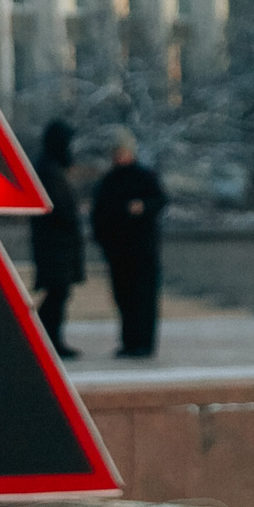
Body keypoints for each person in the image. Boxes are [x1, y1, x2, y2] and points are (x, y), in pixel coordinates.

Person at [89, 127, 169, 359]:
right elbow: (100, 214)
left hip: (142, 252)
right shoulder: (109, 181)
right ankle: (129, 341)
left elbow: (160, 200)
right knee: (124, 298)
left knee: (143, 299)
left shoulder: (144, 176)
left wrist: (143, 207)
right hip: (119, 251)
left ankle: (143, 342)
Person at [27, 120, 85, 358]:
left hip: (56, 245)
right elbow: (60, 210)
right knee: (56, 294)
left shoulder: (49, 167)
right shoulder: (49, 170)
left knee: (57, 293)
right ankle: (46, 340)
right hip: (55, 245)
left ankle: (46, 339)